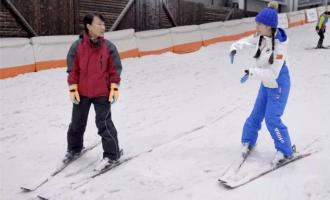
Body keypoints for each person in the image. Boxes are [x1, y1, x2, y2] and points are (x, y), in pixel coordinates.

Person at [229, 7, 294, 165]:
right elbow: (246, 41)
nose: (256, 26)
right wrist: (234, 48)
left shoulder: (280, 47)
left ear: (269, 26)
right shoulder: (262, 37)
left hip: (278, 84)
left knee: (272, 119)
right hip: (266, 83)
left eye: (260, 24)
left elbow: (273, 74)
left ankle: (285, 151)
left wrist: (251, 72)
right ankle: (248, 141)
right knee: (256, 114)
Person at [64, 13, 123, 171]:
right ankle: (74, 149)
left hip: (102, 93)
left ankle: (112, 154)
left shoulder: (109, 47)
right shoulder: (77, 47)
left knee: (104, 124)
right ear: (88, 26)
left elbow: (114, 71)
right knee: (77, 123)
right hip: (82, 93)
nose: (104, 27)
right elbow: (73, 70)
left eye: (104, 24)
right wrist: (73, 88)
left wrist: (114, 87)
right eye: (99, 24)